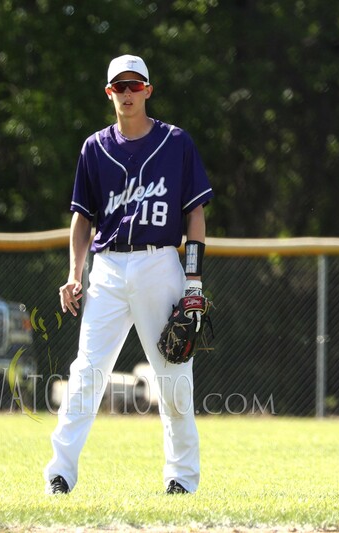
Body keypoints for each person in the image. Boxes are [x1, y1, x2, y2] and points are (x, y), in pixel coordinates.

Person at [44, 54, 214, 495]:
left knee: (174, 377)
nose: (127, 93)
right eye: (119, 86)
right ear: (109, 93)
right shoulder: (94, 148)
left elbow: (194, 212)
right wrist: (74, 272)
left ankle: (181, 480)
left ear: (148, 91)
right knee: (86, 373)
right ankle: (60, 474)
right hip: (109, 267)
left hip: (160, 262)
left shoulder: (176, 142)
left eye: (135, 85)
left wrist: (193, 280)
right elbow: (83, 218)